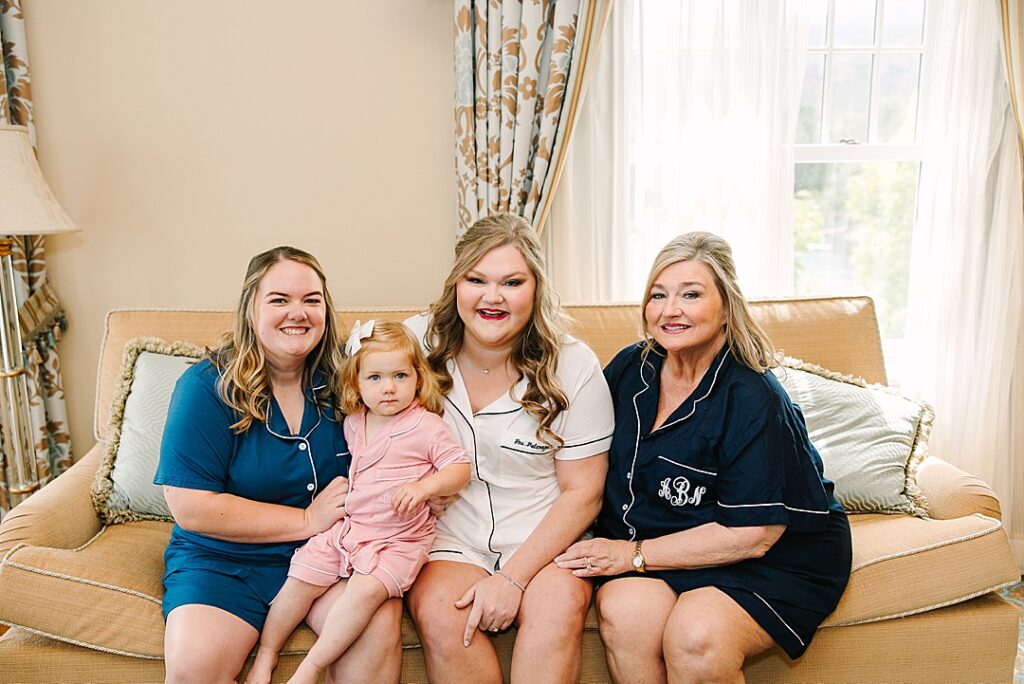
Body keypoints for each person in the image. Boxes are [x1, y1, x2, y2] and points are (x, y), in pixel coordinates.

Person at [556, 232, 852, 683]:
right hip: (663, 540)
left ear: (726, 307)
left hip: (768, 553)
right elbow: (577, 450)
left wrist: (630, 555)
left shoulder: (753, 395)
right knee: (625, 612)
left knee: (695, 637)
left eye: (690, 294)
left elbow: (754, 534)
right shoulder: (629, 368)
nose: (669, 309)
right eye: (659, 295)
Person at [155, 247, 401, 684]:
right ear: (251, 308)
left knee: (376, 627)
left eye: (311, 299)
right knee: (194, 668)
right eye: (279, 299)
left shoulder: (350, 380)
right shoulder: (206, 387)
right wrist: (307, 518)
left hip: (332, 555)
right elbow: (191, 507)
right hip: (223, 561)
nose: (298, 312)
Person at [403, 212, 615, 683]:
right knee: (443, 614)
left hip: (545, 541)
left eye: (512, 282)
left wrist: (513, 578)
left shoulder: (574, 365)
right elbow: (365, 423)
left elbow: (584, 493)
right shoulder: (414, 344)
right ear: (455, 284)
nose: (491, 297)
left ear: (536, 288)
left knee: (558, 607)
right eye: (475, 279)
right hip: (449, 540)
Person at [246, 320, 472, 684]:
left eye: (400, 375)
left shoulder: (426, 426)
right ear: (356, 383)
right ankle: (267, 655)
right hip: (350, 531)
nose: (389, 389)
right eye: (376, 378)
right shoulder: (354, 423)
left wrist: (425, 488)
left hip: (399, 544)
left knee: (364, 593)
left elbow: (460, 468)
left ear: (418, 378)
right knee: (299, 579)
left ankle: (311, 668)